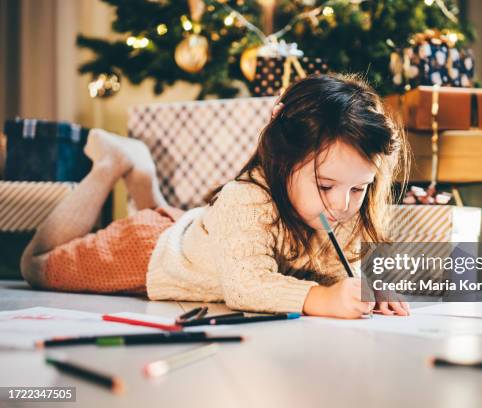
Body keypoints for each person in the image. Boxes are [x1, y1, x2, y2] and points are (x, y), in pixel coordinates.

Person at [20, 74, 410, 319]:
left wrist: (365, 287)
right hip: (147, 253)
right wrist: (322, 300)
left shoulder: (337, 209)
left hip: (200, 235)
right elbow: (246, 286)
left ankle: (140, 168)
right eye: (326, 186)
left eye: (359, 188)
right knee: (35, 267)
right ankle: (111, 164)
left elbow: (333, 269)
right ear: (283, 158)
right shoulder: (246, 199)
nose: (343, 203)